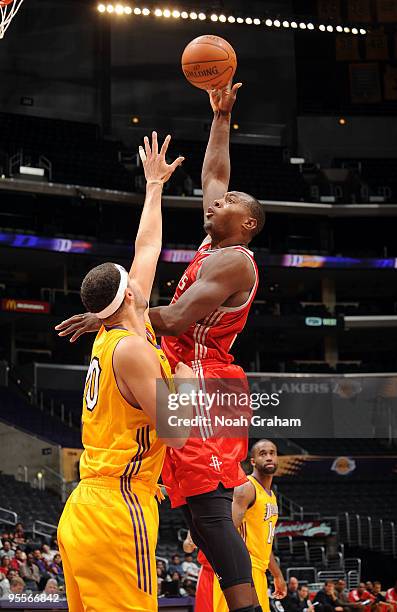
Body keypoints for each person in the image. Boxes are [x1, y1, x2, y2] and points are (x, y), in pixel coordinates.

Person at [56, 82, 265, 612]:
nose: (218, 200)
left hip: (210, 381)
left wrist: (116, 310)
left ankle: (245, 604)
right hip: (181, 377)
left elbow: (170, 317)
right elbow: (214, 172)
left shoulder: (235, 259)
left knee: (213, 508)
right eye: (217, 199)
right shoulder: (209, 243)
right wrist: (221, 117)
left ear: (247, 224)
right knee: (200, 512)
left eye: (230, 202)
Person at [57, 132, 194, 612]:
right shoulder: (134, 350)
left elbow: (148, 245)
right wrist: (189, 379)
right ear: (131, 295)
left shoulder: (110, 335)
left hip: (86, 509)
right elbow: (176, 435)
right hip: (118, 510)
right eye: (133, 280)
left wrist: (154, 185)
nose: (140, 277)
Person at [191, 440, 286, 612]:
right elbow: (225, 530)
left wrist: (277, 574)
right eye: (263, 454)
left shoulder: (271, 496)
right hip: (242, 572)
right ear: (253, 461)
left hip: (259, 571)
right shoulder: (247, 488)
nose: (269, 457)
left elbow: (265, 543)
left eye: (272, 453)